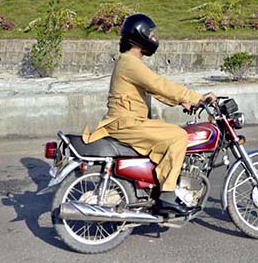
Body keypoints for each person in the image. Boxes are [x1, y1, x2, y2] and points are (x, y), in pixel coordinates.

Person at [83, 13, 216, 216]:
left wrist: (185, 101)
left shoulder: (129, 62)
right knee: (179, 136)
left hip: (130, 122)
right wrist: (197, 97)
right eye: (151, 33)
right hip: (126, 123)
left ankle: (158, 189)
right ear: (140, 35)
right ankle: (167, 196)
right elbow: (159, 84)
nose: (154, 37)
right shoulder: (129, 62)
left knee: (170, 134)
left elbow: (153, 90)